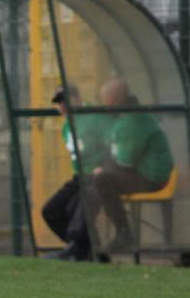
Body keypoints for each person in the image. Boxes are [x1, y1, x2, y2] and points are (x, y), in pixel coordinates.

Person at [90, 79, 174, 253]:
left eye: (107, 100)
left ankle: (123, 234)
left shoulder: (133, 121)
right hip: (148, 172)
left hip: (152, 178)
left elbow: (125, 162)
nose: (105, 105)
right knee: (98, 179)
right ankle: (89, 236)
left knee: (101, 180)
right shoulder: (130, 115)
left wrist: (103, 170)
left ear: (116, 99)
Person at [41, 85, 114, 262]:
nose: (62, 106)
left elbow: (113, 144)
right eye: (58, 102)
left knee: (82, 201)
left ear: (76, 98)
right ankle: (86, 248)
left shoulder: (93, 118)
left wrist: (104, 166)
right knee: (51, 210)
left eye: (64, 100)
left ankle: (76, 247)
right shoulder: (67, 126)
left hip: (100, 174)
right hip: (81, 176)